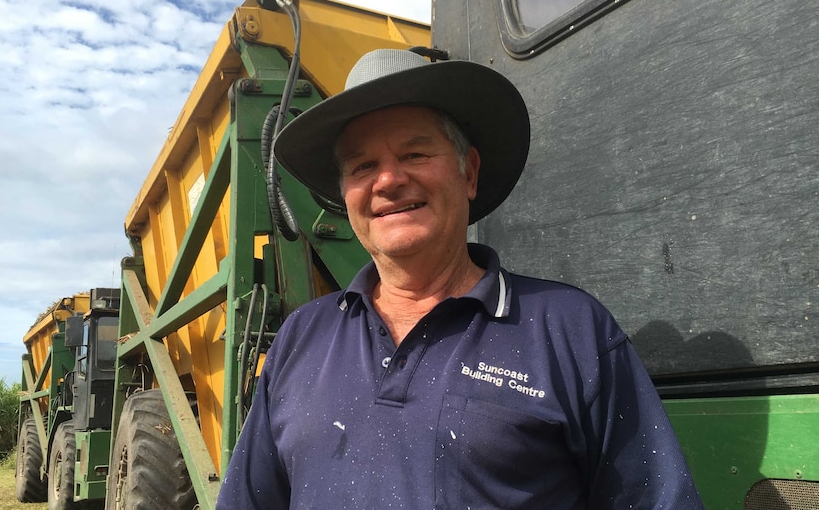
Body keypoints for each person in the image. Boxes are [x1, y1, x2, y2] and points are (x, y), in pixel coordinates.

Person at [217, 49, 704, 509]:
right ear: (347, 196)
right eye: (363, 166)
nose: (387, 181)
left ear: (468, 173)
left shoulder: (570, 330)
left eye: (414, 154)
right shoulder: (302, 336)